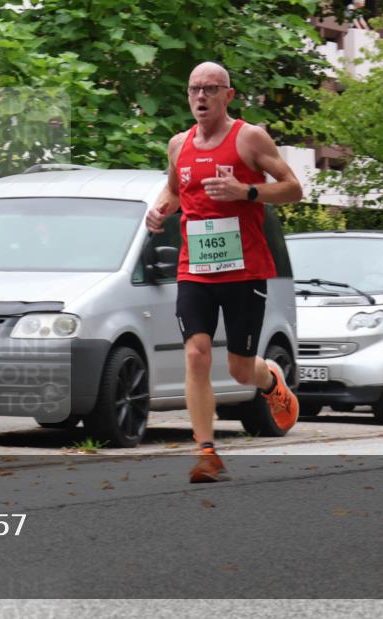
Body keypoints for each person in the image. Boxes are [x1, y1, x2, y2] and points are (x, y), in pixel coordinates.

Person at [145, 62, 303, 483]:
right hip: (195, 267)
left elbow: (293, 187)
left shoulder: (249, 137)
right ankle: (207, 453)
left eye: (211, 89)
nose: (201, 97)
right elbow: (175, 191)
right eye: (195, 88)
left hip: (245, 269)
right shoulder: (179, 144)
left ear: (228, 95)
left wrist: (247, 191)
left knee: (239, 368)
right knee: (196, 354)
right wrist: (159, 210)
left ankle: (270, 379)